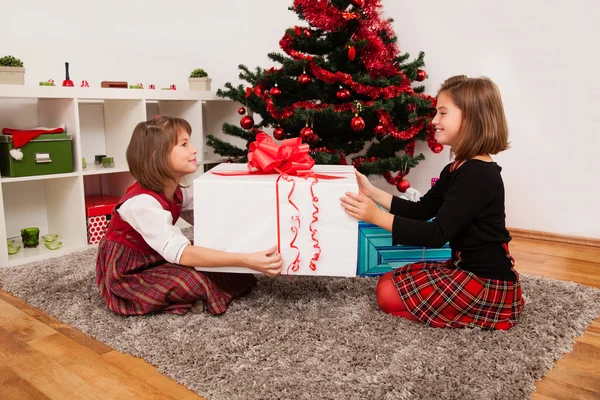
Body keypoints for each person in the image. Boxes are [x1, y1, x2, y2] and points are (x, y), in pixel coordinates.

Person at [340, 75, 524, 330]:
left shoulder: (478, 174)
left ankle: (487, 314)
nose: (434, 121)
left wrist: (375, 216)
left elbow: (436, 234)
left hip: (486, 280)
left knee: (387, 295)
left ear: (470, 119)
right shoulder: (458, 168)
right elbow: (422, 210)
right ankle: (457, 311)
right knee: (387, 283)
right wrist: (372, 192)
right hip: (462, 268)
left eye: (443, 113)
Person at [96, 116, 283, 316]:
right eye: (184, 144)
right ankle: (179, 299)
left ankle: (193, 293)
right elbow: (182, 253)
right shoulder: (141, 203)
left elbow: (208, 216)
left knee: (228, 269)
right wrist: (245, 259)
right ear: (156, 156)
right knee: (196, 280)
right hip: (131, 268)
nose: (194, 149)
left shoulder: (176, 190)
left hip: (156, 253)